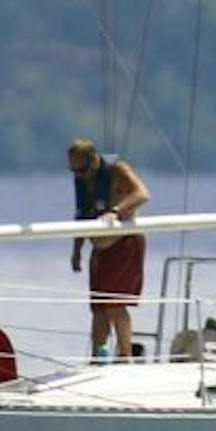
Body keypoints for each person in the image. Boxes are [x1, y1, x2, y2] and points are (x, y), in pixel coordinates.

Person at [67, 138, 150, 363]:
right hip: (100, 249)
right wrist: (77, 249)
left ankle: (125, 354)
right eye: (74, 171)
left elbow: (142, 194)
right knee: (99, 307)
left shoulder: (117, 169)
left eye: (83, 170)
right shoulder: (81, 180)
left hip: (124, 244)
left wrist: (116, 211)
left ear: (94, 160)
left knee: (115, 303)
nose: (80, 175)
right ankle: (98, 356)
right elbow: (81, 214)